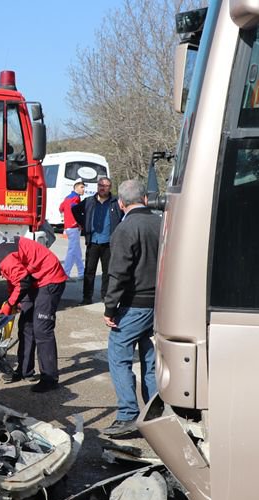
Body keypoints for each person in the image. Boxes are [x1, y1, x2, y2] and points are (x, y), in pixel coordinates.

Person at [0, 229, 66, 393]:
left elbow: (22, 282)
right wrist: (12, 301)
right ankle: (24, 371)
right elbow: (14, 279)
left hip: (49, 278)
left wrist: (10, 303)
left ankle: (50, 378)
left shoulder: (3, 255)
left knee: (41, 329)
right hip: (34, 279)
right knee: (25, 326)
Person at [101, 179, 162, 438]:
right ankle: (155, 414)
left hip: (134, 305)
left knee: (118, 356)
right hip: (160, 305)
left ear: (121, 203)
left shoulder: (126, 229)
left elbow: (118, 272)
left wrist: (109, 307)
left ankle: (128, 415)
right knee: (150, 360)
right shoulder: (163, 223)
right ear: (146, 199)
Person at [79, 176, 123, 305]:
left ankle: (105, 296)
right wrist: (85, 224)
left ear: (110, 188)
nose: (103, 188)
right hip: (93, 241)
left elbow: (124, 215)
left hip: (109, 243)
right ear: (97, 187)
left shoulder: (116, 202)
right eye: (100, 185)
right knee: (89, 271)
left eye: (106, 186)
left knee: (107, 272)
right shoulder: (89, 201)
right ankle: (87, 297)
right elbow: (74, 210)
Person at [60, 180, 86, 281]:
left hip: (68, 226)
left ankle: (81, 272)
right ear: (76, 188)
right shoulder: (75, 198)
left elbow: (61, 208)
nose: (83, 189)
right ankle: (65, 274)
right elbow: (75, 211)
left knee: (76, 251)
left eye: (83, 187)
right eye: (81, 187)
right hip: (74, 227)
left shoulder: (68, 197)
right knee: (72, 251)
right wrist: (78, 222)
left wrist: (66, 217)